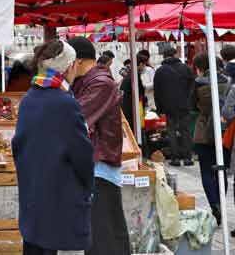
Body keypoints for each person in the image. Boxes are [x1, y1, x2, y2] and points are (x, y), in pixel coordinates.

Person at [12, 40, 94, 255]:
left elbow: (17, 146)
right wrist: (87, 188)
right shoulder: (65, 103)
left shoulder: (29, 99)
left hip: (33, 198)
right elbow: (82, 155)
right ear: (69, 66)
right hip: (60, 201)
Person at [68, 37, 130, 255]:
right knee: (101, 231)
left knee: (105, 233)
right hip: (92, 163)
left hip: (100, 164)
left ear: (78, 61)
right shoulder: (85, 80)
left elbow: (75, 117)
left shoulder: (101, 83)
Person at [191, 52, 231, 225]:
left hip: (203, 131)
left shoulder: (197, 83)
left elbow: (191, 105)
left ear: (201, 67)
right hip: (224, 131)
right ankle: (222, 203)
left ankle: (214, 206)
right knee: (221, 169)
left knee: (206, 171)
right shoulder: (228, 82)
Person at [154, 47, 195, 166]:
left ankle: (175, 158)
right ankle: (187, 157)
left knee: (171, 130)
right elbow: (192, 86)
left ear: (164, 56)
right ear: (175, 54)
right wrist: (189, 101)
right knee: (185, 130)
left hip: (168, 105)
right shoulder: (185, 68)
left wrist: (159, 108)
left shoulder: (160, 70)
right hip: (184, 104)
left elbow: (158, 91)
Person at [120, 55, 147, 133]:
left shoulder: (130, 75)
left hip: (128, 108)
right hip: (131, 109)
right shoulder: (134, 77)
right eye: (144, 65)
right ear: (141, 64)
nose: (144, 67)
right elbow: (139, 92)